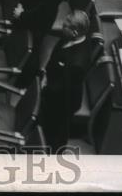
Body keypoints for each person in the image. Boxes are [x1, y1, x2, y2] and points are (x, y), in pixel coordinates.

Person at [38, 10, 92, 150]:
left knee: (54, 134)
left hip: (62, 102)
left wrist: (44, 86)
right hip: (54, 86)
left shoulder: (77, 63)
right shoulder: (69, 37)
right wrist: (46, 73)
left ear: (74, 32)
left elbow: (61, 89)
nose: (62, 27)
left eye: (65, 26)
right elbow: (56, 57)